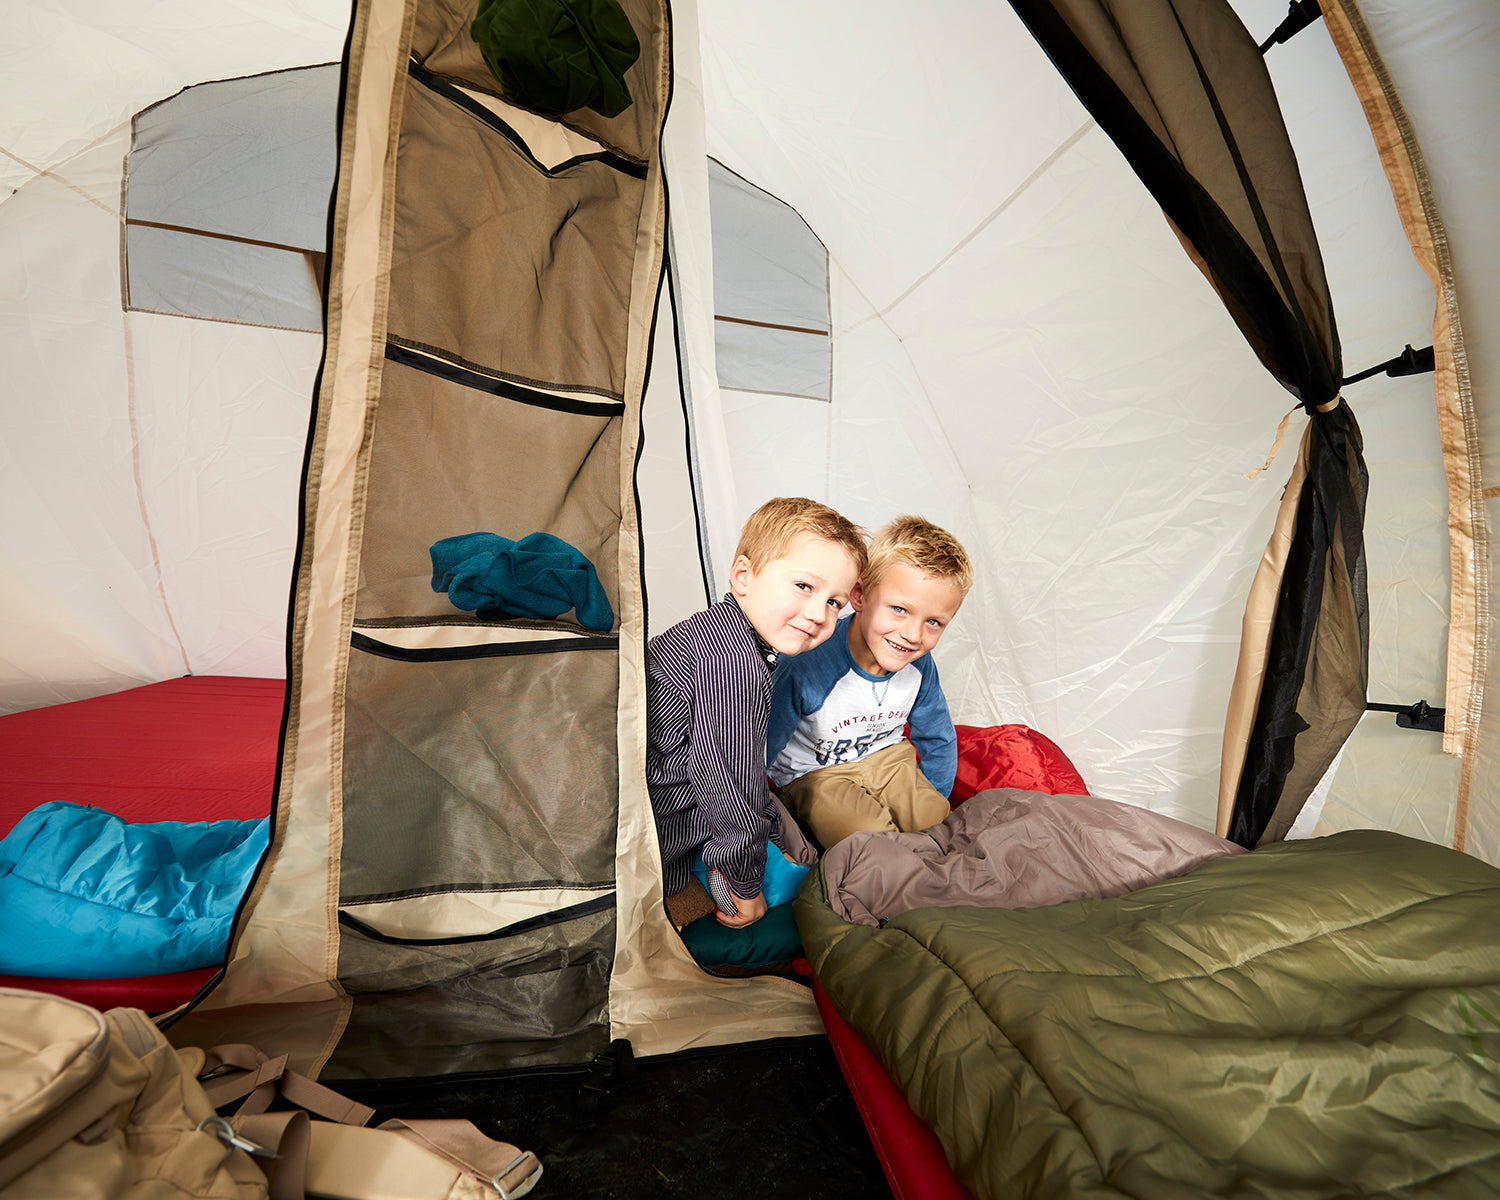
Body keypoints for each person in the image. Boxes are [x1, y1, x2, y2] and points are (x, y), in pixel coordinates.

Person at [646, 496, 866, 944]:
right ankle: (697, 883)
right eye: (804, 586)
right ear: (744, 576)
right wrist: (745, 885)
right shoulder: (736, 665)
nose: (818, 614)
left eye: (834, 603)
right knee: (780, 849)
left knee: (770, 810)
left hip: (653, 788)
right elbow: (728, 786)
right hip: (653, 828)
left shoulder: (709, 629)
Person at [766, 514, 973, 851]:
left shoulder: (920, 664)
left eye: (933, 621)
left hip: (890, 760)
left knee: (940, 826)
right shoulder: (807, 663)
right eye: (899, 609)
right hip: (819, 774)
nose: (912, 635)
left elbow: (937, 736)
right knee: (872, 842)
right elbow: (763, 741)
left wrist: (933, 800)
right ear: (860, 596)